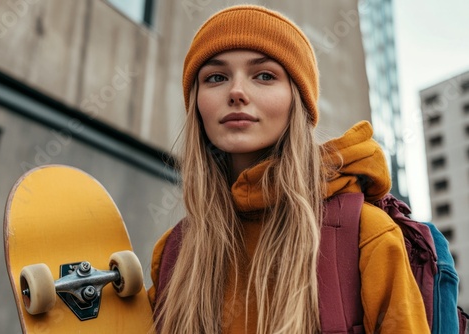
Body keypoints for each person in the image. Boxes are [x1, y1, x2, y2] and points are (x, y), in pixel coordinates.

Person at [147, 5, 429, 333]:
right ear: (197, 103)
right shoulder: (174, 252)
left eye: (264, 75)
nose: (236, 92)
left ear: (298, 101)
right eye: (216, 77)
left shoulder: (365, 234)